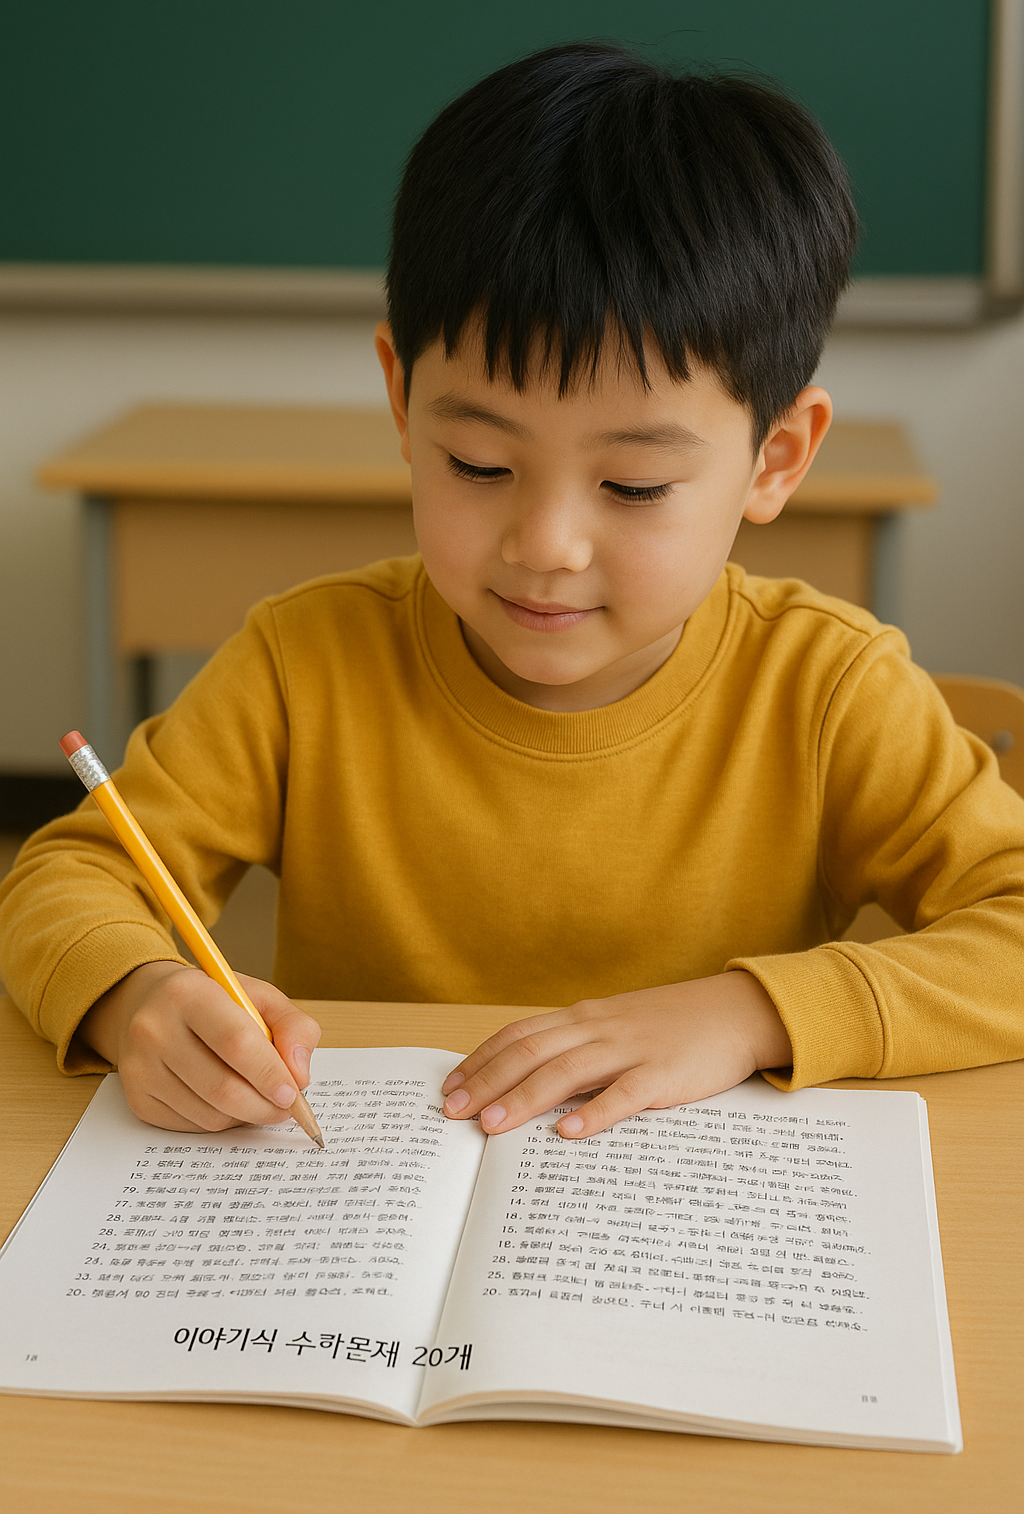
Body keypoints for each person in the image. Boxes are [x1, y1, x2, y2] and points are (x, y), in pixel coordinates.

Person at [2, 43, 1023, 1142]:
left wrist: (752, 1012)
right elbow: (68, 876)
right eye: (480, 467)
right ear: (402, 399)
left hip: (683, 1245)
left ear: (775, 458)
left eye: (632, 485)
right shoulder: (305, 664)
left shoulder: (826, 691)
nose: (545, 546)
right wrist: (135, 995)